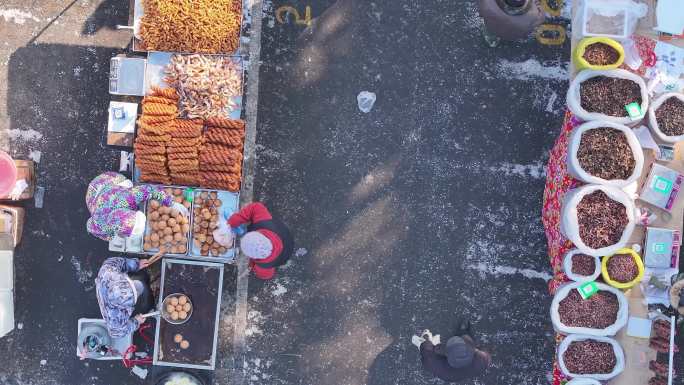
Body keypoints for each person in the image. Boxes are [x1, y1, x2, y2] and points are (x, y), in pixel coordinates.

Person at [85, 172, 180, 241]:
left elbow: (150, 190)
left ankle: (118, 185)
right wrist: (109, 236)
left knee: (128, 184)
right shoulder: (100, 224)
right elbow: (89, 226)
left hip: (105, 183)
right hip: (95, 195)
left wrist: (170, 202)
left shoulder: (128, 197)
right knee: (109, 235)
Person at [218, 202, 293, 280]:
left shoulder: (264, 267)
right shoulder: (263, 221)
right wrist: (232, 222)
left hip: (285, 253)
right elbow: (255, 207)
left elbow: (266, 275)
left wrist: (252, 265)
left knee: (270, 267)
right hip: (283, 234)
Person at [95, 254, 160, 338]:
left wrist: (135, 264)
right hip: (110, 307)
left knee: (141, 279)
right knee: (146, 305)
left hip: (106, 285)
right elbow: (116, 333)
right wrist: (136, 322)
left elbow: (113, 262)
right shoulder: (115, 318)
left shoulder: (108, 271)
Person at [412, 321, 491, 381]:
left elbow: (425, 350)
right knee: (465, 334)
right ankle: (464, 331)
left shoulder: (435, 364)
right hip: (466, 370)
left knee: (425, 345)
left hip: (448, 375)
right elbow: (483, 350)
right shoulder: (483, 359)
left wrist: (428, 341)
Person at [478, 0, 545, 47]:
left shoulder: (487, 3)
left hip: (492, 27)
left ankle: (492, 40)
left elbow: (481, 13)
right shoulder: (534, 16)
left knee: (490, 31)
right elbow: (541, 18)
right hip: (513, 35)